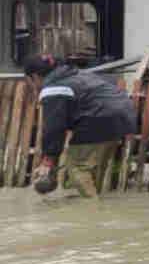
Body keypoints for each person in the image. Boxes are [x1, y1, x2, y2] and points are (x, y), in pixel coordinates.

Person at [26, 55, 137, 198]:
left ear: (34, 77)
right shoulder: (77, 74)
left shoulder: (54, 88)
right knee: (90, 170)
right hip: (124, 117)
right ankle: (96, 205)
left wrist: (48, 160)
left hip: (99, 119)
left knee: (77, 167)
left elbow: (54, 128)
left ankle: (92, 210)